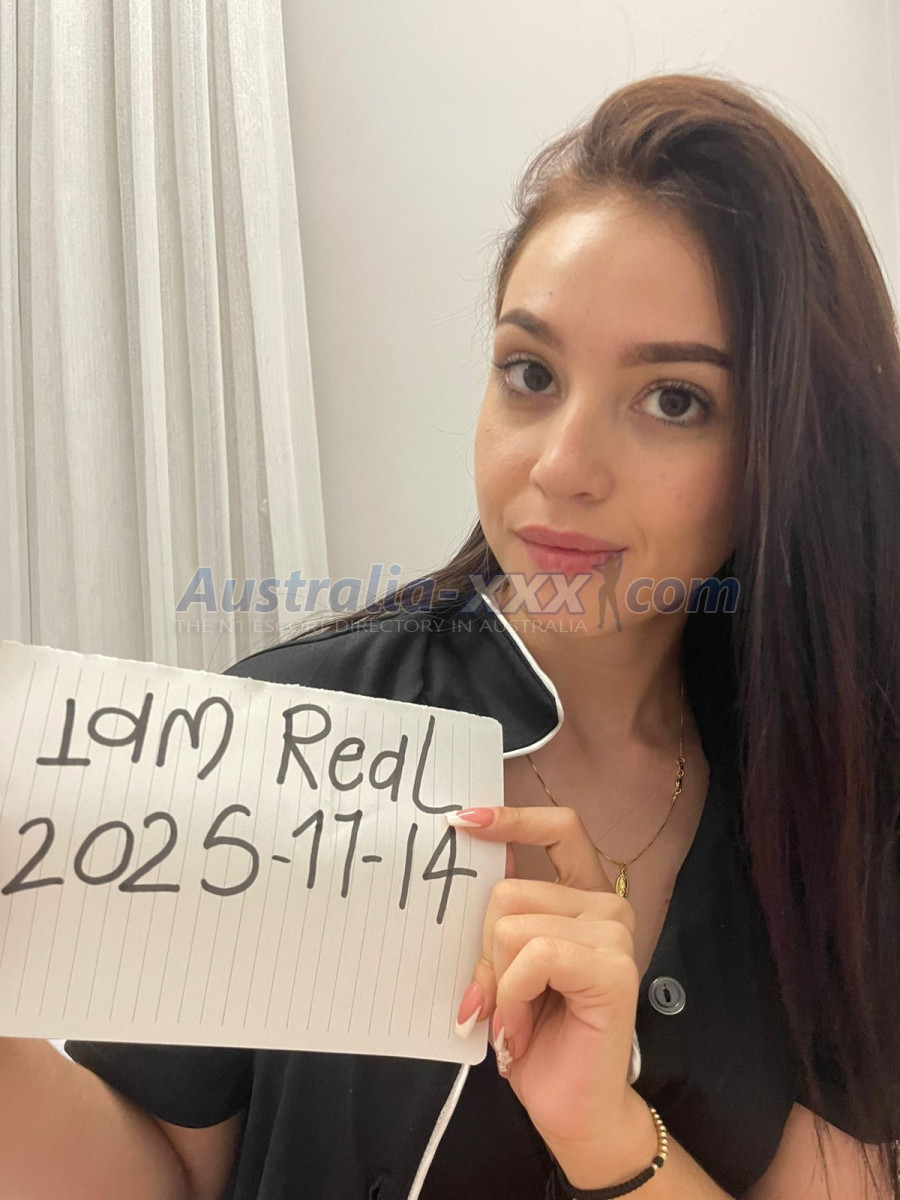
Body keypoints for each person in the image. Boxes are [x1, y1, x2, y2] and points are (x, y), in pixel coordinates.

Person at [4, 70, 898, 1199]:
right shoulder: (292, 731)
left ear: (789, 452)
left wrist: (606, 1133)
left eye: (674, 399)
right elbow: (156, 1174)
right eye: (531, 374)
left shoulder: (838, 806)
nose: (560, 466)